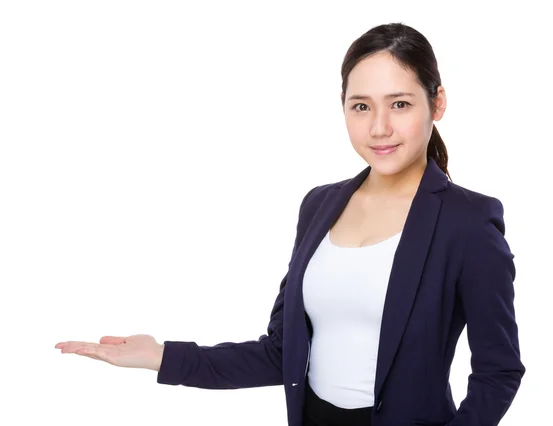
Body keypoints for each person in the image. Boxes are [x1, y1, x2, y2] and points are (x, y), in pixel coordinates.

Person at [55, 22, 525, 426]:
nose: (379, 127)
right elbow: (282, 353)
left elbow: (498, 371)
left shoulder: (466, 221)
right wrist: (160, 356)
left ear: (436, 103)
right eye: (361, 106)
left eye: (399, 104)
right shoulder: (320, 205)